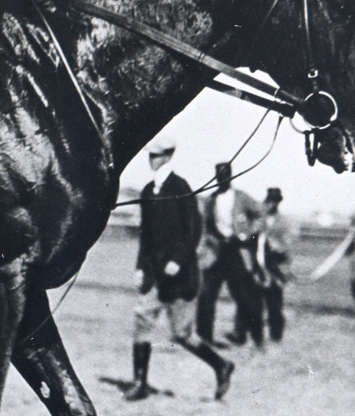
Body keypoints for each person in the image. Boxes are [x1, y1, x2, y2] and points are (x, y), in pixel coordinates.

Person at [124, 137, 235, 402]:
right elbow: (145, 236)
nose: (153, 161)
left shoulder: (181, 188)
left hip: (180, 276)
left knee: (182, 334)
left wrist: (177, 260)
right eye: (150, 156)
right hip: (153, 274)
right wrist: (140, 267)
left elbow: (193, 231)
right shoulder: (148, 191)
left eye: (157, 156)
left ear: (168, 156)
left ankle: (221, 366)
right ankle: (140, 383)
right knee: (142, 321)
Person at [195, 162, 265, 347]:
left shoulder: (241, 197)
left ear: (231, 176)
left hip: (237, 251)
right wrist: (205, 247)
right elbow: (205, 226)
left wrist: (247, 234)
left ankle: (253, 338)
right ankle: (205, 339)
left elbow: (260, 216)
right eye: (219, 176)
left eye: (226, 175)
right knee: (206, 295)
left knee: (244, 296)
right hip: (216, 252)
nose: (222, 179)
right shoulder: (210, 200)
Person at [257, 187, 295, 342]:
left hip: (275, 265)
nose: (271, 204)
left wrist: (277, 247)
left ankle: (276, 333)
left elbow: (287, 246)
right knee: (253, 300)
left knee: (275, 302)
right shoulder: (260, 220)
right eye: (269, 201)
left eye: (275, 201)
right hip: (259, 264)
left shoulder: (284, 221)